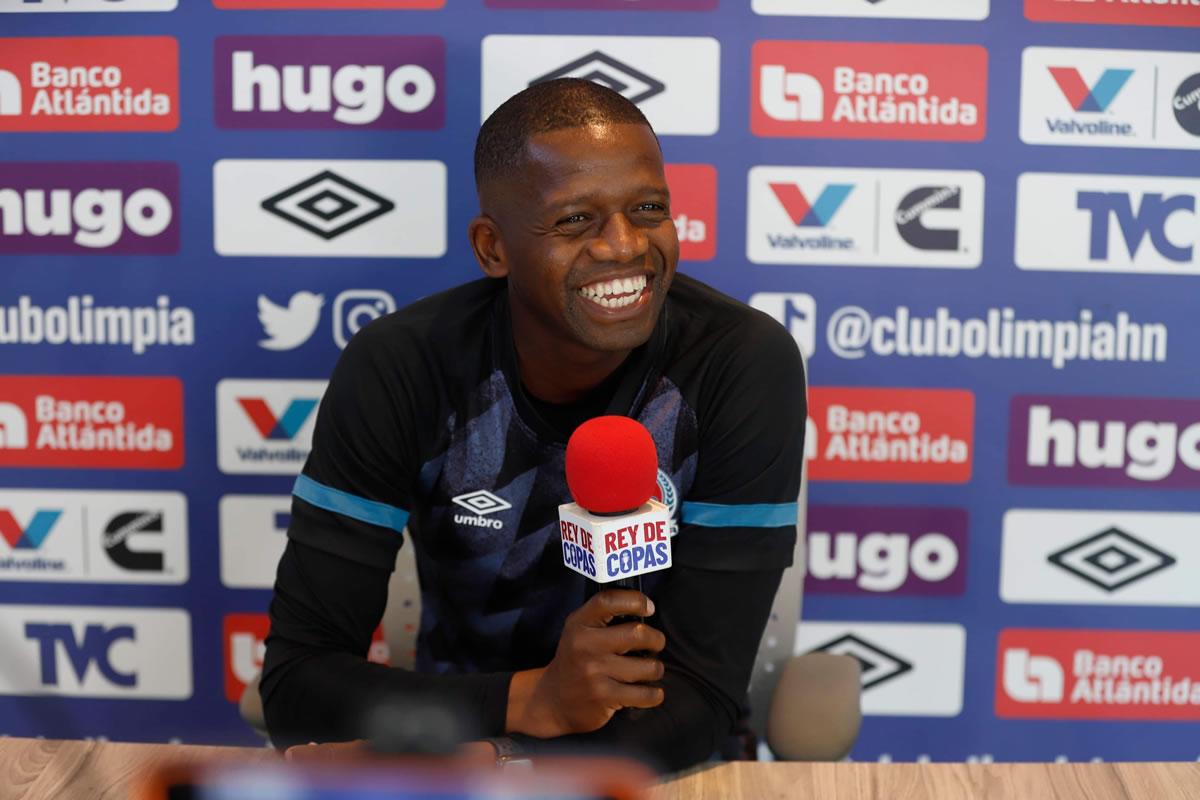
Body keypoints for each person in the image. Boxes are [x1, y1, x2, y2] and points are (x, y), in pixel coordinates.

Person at [261, 78, 807, 771]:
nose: (624, 247)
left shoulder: (738, 361)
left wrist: (504, 763)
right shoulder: (402, 366)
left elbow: (703, 695)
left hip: (658, 769)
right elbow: (295, 687)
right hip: (456, 751)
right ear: (493, 248)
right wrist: (527, 703)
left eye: (648, 208)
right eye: (577, 219)